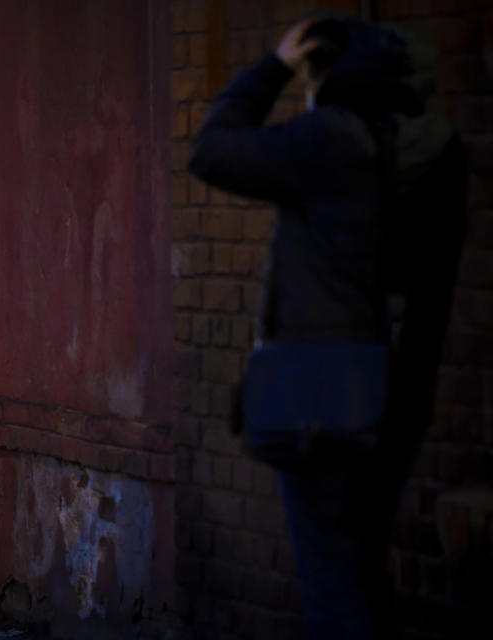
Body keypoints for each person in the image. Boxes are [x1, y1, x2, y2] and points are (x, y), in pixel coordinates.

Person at [189, 13, 467, 640]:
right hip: (399, 393)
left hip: (320, 399)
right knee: (364, 575)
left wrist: (274, 66)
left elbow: (211, 151)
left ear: (328, 76)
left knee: (331, 587)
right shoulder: (440, 150)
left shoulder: (327, 142)